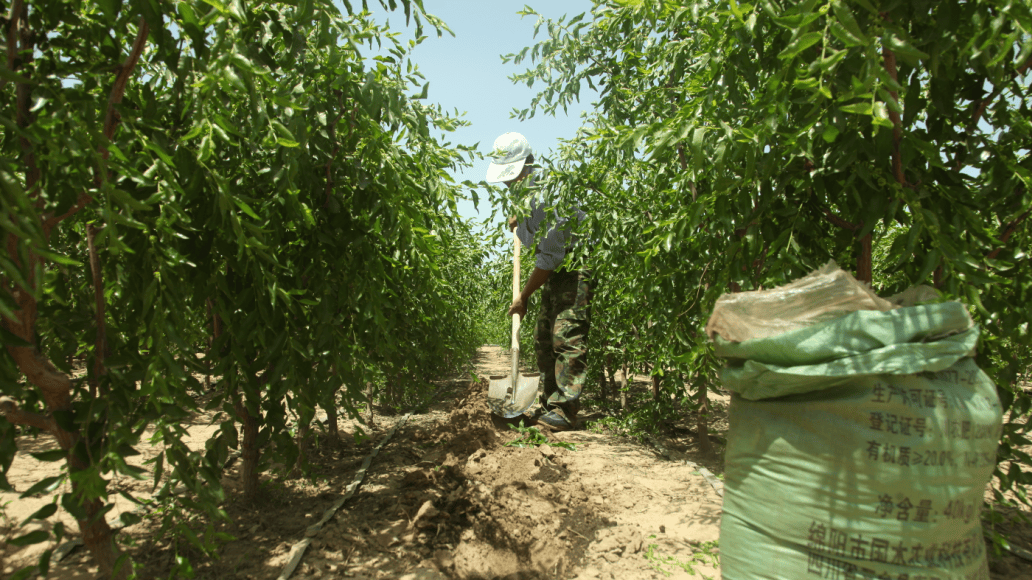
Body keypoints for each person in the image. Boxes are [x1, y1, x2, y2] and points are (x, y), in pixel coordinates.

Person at [485, 132, 592, 431]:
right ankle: (548, 403)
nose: (508, 183)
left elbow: (549, 256)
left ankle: (565, 410)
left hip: (575, 264)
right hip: (555, 267)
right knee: (543, 337)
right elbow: (534, 243)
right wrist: (519, 223)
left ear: (527, 167)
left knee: (565, 335)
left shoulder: (548, 194)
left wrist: (523, 295)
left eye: (512, 176)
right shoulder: (523, 196)